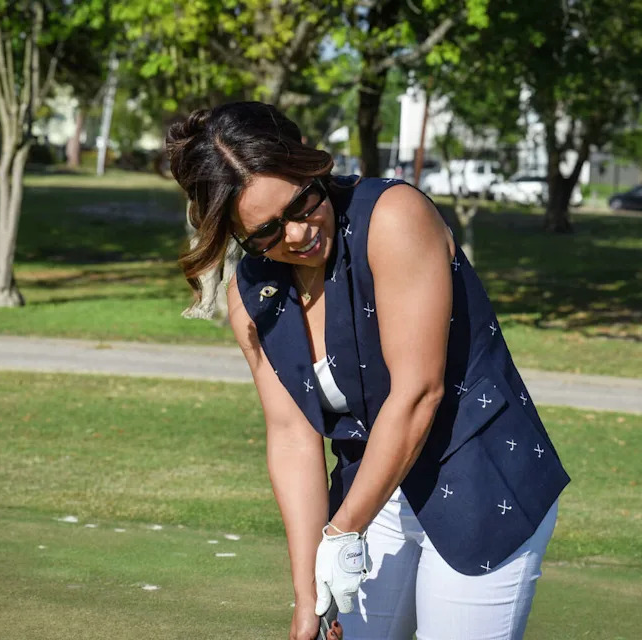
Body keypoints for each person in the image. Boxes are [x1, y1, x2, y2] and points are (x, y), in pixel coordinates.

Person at [165, 101, 570, 640]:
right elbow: (292, 436)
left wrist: (340, 535)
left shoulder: (393, 217)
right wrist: (309, 594)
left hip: (480, 474)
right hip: (370, 489)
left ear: (311, 168)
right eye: (264, 232)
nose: (296, 235)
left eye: (301, 204)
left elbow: (418, 393)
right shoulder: (252, 296)